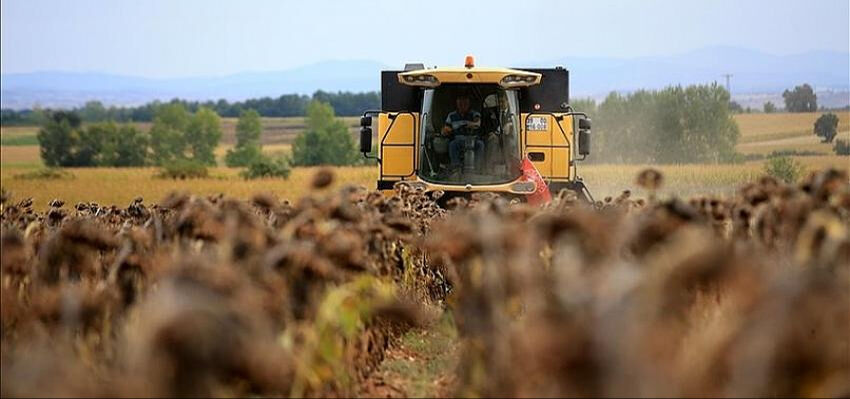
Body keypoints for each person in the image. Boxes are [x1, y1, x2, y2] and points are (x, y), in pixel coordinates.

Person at [443, 94, 483, 170]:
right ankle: (456, 167)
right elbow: (446, 128)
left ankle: (478, 168)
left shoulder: (474, 114)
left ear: (469, 104)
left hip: (473, 139)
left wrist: (470, 124)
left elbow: (477, 123)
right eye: (460, 104)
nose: (463, 106)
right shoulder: (451, 115)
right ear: (457, 104)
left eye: (465, 104)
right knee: (452, 145)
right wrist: (445, 130)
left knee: (480, 145)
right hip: (458, 140)